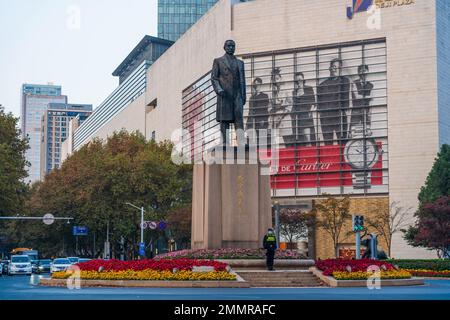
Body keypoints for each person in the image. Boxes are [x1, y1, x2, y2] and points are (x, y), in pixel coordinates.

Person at [211, 39, 246, 146]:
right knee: (225, 120)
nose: (231, 48)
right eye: (229, 46)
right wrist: (219, 90)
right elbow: (214, 78)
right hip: (225, 94)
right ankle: (224, 142)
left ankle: (241, 142)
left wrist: (243, 96)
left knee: (238, 119)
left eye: (233, 46)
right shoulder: (218, 61)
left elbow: (242, 80)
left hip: (237, 95)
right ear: (224, 47)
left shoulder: (240, 63)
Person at [317, 58, 351, 145]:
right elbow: (320, 104)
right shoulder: (322, 85)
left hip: (339, 115)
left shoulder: (345, 81)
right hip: (326, 117)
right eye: (333, 67)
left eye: (338, 67)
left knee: (343, 142)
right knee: (328, 144)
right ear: (330, 68)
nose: (335, 69)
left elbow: (345, 100)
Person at [292, 72, 316, 146]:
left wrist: (310, 112)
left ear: (303, 80)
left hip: (306, 116)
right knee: (302, 139)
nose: (298, 82)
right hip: (298, 117)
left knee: (307, 137)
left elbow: (313, 102)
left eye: (300, 79)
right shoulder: (294, 92)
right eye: (296, 80)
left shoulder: (308, 88)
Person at [270, 68, 293, 147]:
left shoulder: (286, 90)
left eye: (277, 79)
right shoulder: (272, 93)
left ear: (280, 78)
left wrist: (281, 116)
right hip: (275, 120)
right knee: (275, 143)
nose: (276, 81)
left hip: (284, 119)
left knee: (288, 142)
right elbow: (269, 107)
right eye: (274, 79)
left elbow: (290, 105)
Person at [350, 64, 373, 135]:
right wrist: (367, 97)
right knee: (352, 130)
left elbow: (372, 98)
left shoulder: (370, 85)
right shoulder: (354, 83)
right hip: (356, 109)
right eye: (361, 70)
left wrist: (370, 111)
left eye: (365, 70)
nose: (363, 72)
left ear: (367, 71)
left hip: (366, 108)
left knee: (368, 130)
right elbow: (356, 96)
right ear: (358, 72)